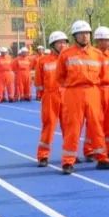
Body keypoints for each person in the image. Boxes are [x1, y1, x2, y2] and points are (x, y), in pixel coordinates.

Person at [56, 20, 109, 174]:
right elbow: (60, 76)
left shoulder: (97, 54)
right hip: (73, 93)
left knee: (96, 126)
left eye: (87, 33)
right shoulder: (66, 54)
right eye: (81, 34)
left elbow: (102, 74)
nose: (85, 36)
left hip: (93, 91)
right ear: (75, 36)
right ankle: (68, 161)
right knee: (73, 128)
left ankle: (102, 158)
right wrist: (73, 85)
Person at [89, 27, 109, 161]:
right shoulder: (93, 55)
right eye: (106, 40)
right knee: (95, 121)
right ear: (99, 41)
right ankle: (90, 149)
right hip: (96, 89)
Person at [36, 31, 68, 167]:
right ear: (52, 44)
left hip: (67, 95)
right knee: (49, 125)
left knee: (69, 126)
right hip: (50, 96)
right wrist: (43, 96)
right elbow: (38, 82)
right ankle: (43, 155)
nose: (62, 45)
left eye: (64, 42)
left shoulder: (69, 59)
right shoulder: (43, 61)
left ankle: (69, 154)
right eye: (59, 42)